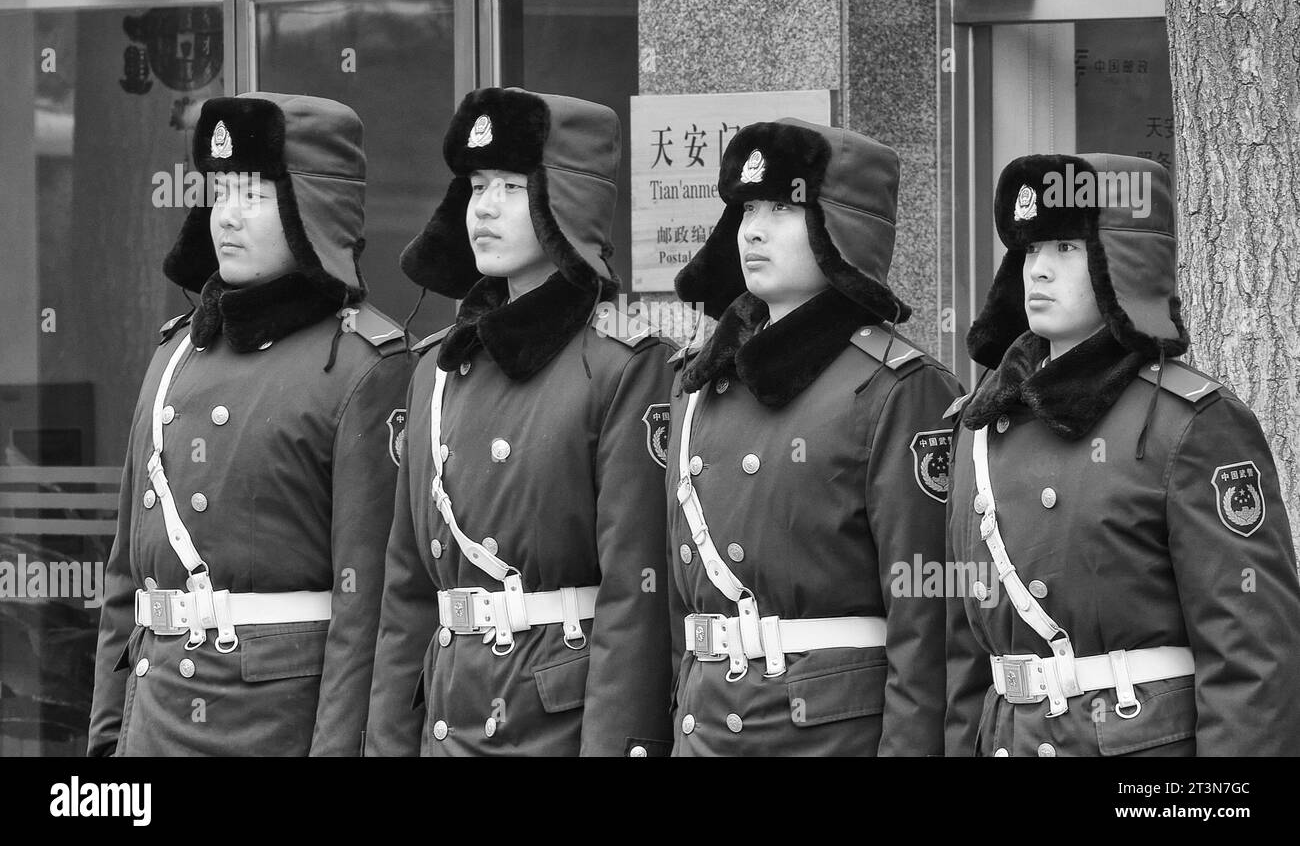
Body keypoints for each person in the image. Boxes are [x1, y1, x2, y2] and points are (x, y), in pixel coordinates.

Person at [87, 92, 413, 756]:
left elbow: (369, 614)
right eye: (220, 190)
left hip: (271, 727)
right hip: (153, 721)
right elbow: (127, 579)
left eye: (255, 195)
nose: (227, 217)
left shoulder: (362, 367)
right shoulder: (173, 354)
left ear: (310, 206)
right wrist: (106, 741)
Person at [944, 152, 1300, 756]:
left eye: (1066, 248)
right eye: (1030, 250)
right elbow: (962, 650)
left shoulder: (1190, 424)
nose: (1039, 272)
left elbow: (1252, 652)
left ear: (1120, 262)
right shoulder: (976, 425)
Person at [366, 87, 675, 756]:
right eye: (477, 185)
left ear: (567, 197)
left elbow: (635, 597)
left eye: (511, 185)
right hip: (447, 720)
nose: (485, 207)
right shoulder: (435, 372)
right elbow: (408, 592)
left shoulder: (624, 363)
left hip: (550, 723)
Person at [665, 119, 962, 755]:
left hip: (825, 735)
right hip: (706, 727)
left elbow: (927, 623)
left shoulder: (901, 389)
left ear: (838, 228)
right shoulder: (698, 383)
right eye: (746, 208)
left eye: (783, 207)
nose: (753, 229)